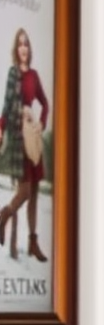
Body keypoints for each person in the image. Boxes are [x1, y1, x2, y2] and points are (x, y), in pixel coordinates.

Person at [0, 27, 49, 262]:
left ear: (29, 49)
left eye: (26, 44)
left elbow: (46, 104)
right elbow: (7, 108)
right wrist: (1, 129)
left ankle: (32, 242)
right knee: (25, 191)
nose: (23, 48)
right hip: (19, 142)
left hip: (33, 140)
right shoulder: (13, 74)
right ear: (15, 49)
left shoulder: (34, 76)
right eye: (20, 44)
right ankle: (3, 215)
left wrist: (41, 122)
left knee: (36, 193)